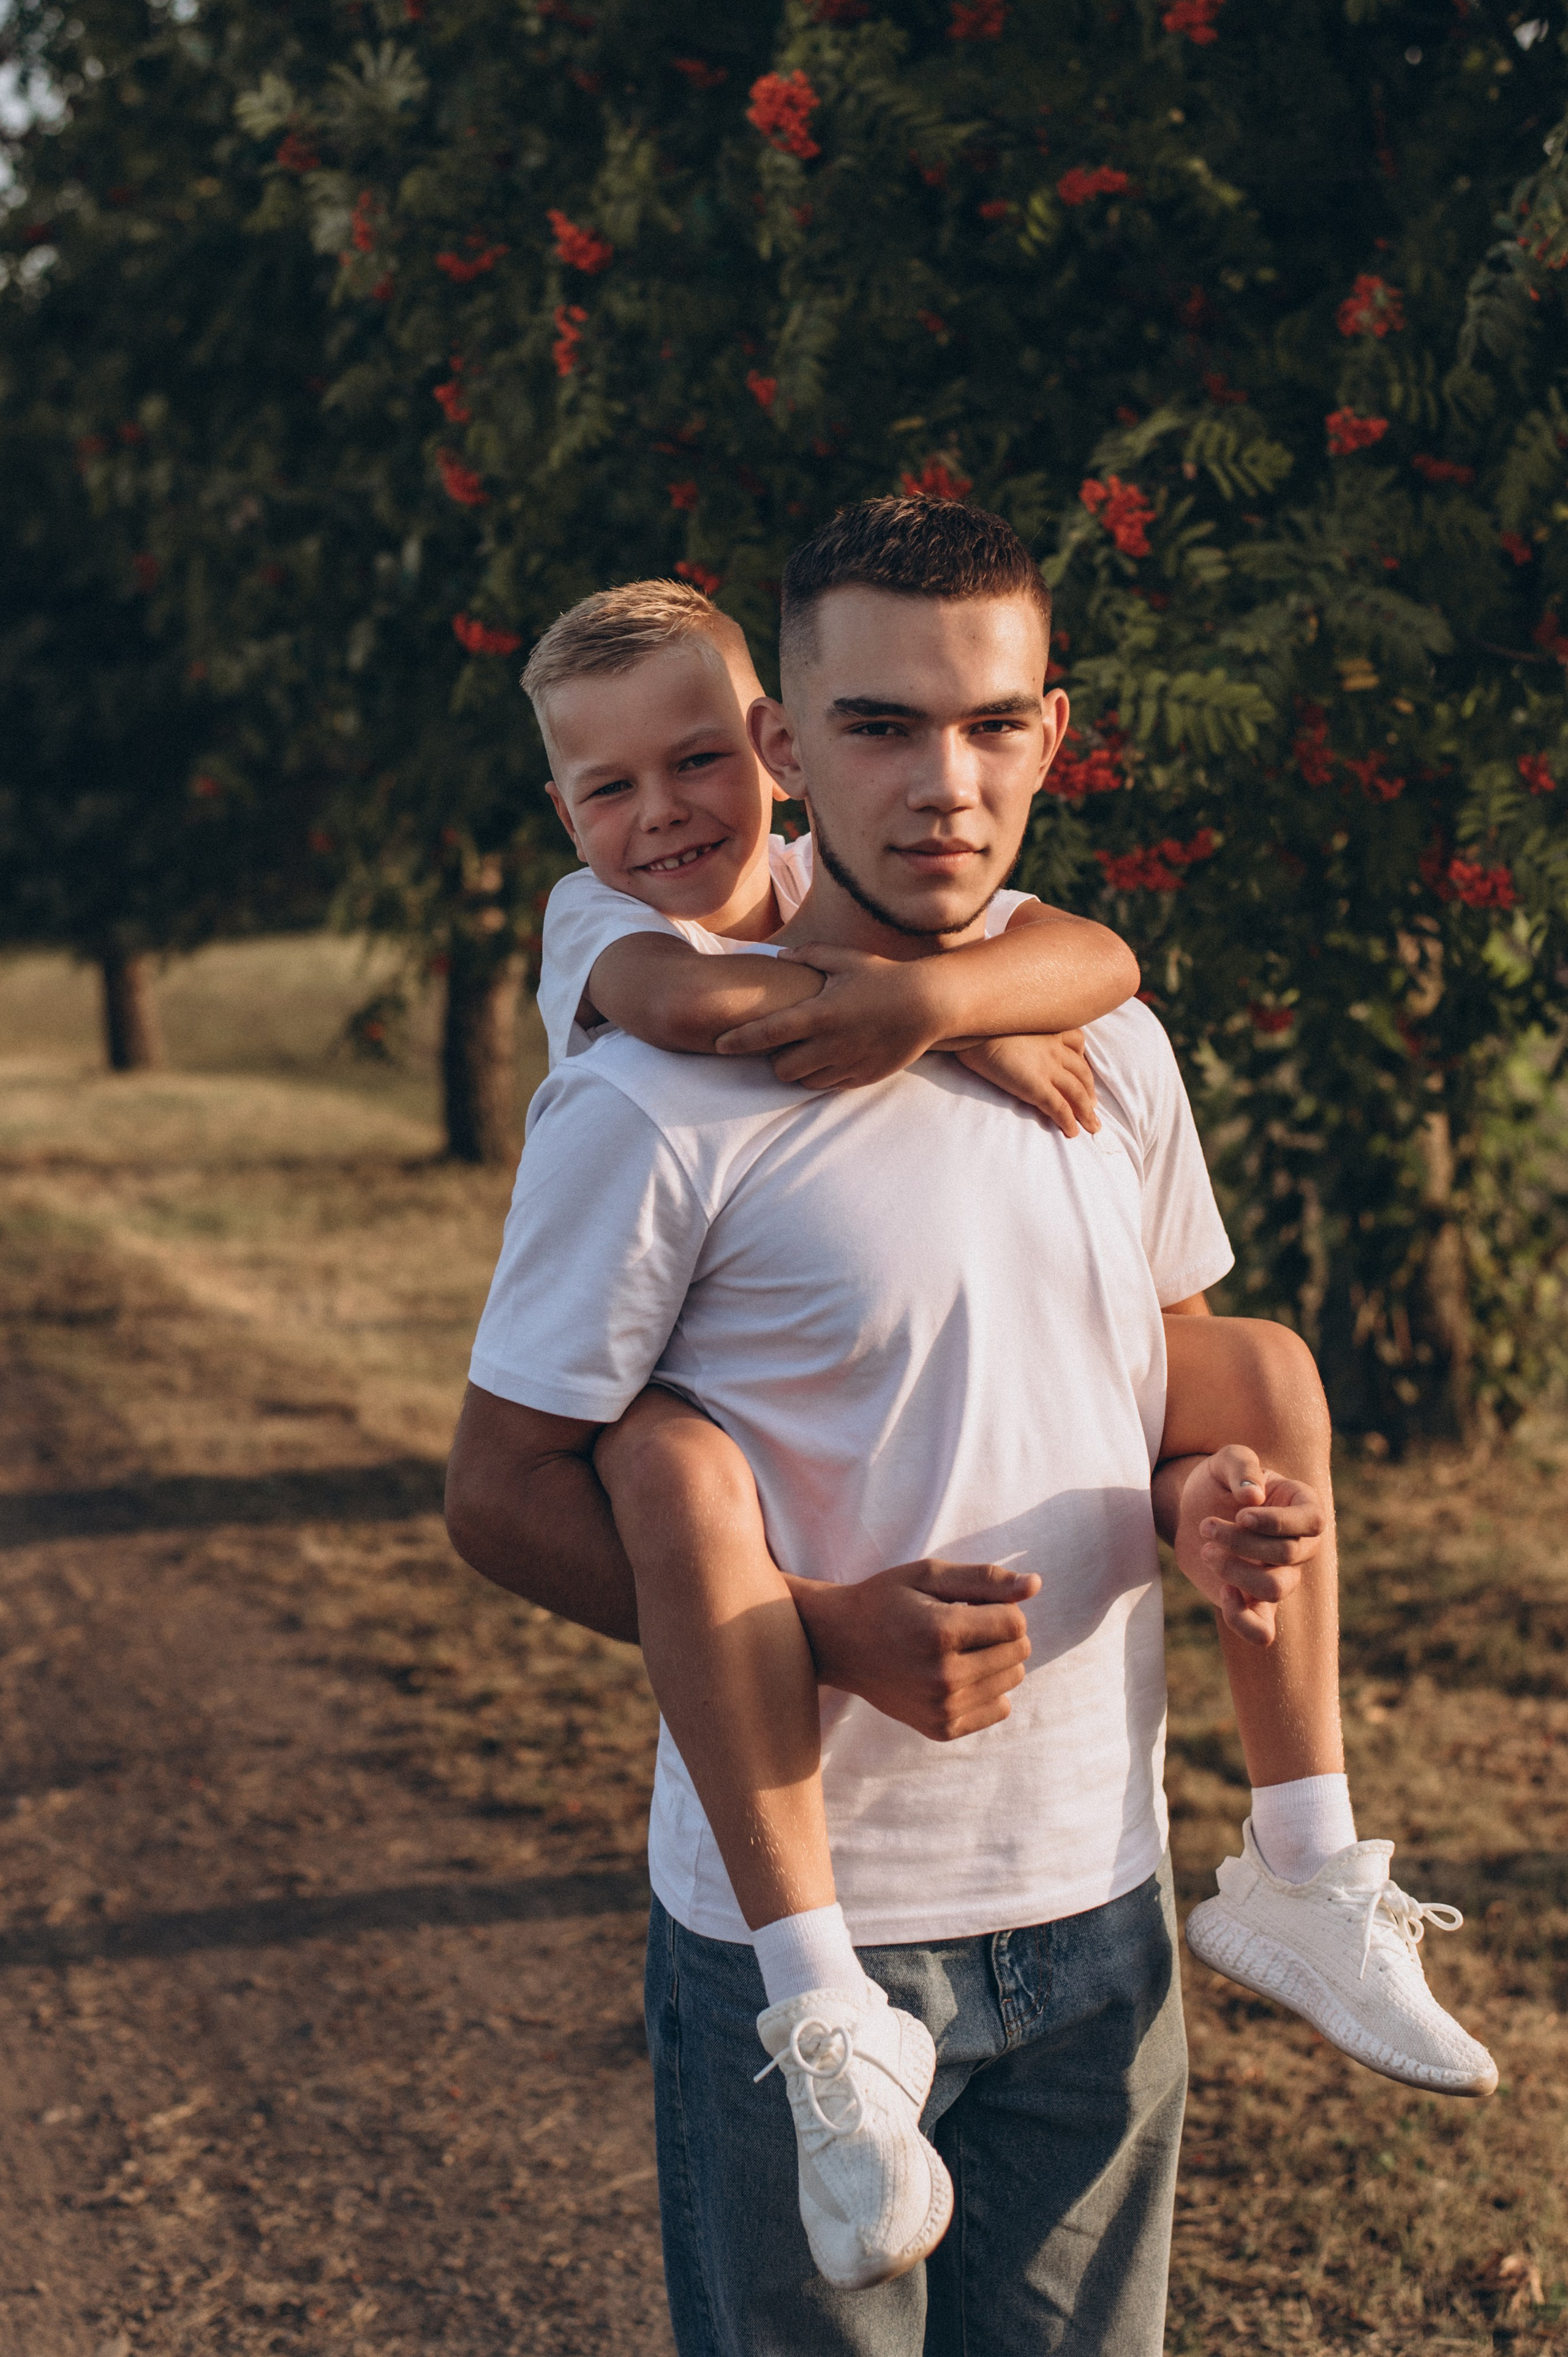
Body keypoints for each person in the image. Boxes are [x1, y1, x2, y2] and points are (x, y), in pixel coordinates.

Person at [447, 500, 1494, 2354]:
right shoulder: (651, 1097)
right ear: (795, 747)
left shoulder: (1100, 1045)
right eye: (879, 728)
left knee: (1266, 1367)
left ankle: (1308, 1865)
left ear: (1052, 735)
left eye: (990, 725)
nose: (944, 784)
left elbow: (1146, 1365)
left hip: (1102, 1897)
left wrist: (1212, 1502)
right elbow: (498, 1496)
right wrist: (827, 1633)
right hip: (816, 1950)